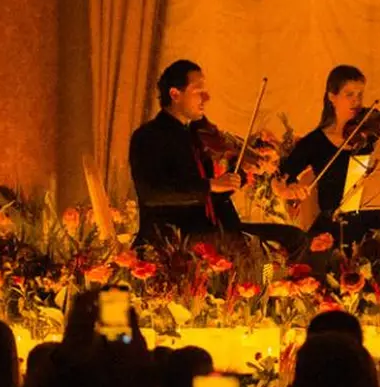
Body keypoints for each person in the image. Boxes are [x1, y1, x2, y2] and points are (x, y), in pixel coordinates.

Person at [128, 59, 307, 257]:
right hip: (177, 236)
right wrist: (210, 185)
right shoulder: (148, 136)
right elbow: (151, 193)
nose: (206, 97)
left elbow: (211, 199)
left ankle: (282, 286)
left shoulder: (197, 135)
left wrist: (238, 175)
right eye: (198, 91)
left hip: (213, 229)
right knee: (243, 246)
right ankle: (255, 283)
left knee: (295, 238)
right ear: (175, 94)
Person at [278, 65, 380, 247]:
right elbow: (282, 176)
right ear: (332, 97)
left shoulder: (371, 136)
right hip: (334, 226)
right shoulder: (315, 141)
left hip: (372, 224)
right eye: (349, 94)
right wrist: (287, 190)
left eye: (360, 94)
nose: (357, 101)